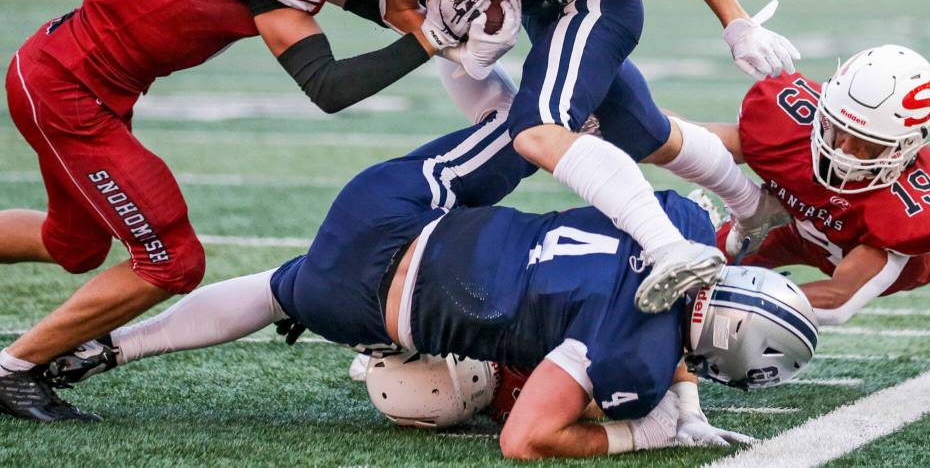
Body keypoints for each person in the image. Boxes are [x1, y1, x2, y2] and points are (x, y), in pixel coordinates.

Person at [0, 0, 495, 422]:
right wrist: (427, 40)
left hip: (63, 72)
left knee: (72, 244)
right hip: (71, 91)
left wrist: (444, 15)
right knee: (173, 261)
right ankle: (13, 369)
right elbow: (328, 86)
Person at [43, 111, 818, 457]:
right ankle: (106, 351)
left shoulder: (679, 223)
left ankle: (468, 42)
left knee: (540, 121)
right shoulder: (634, 365)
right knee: (286, 291)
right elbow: (524, 439)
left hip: (391, 207)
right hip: (358, 304)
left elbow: (667, 304)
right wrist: (636, 431)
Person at [365, 0, 800, 315]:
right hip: (542, 17)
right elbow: (401, 6)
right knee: (647, 137)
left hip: (597, 0)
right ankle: (756, 206)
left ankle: (669, 249)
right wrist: (459, 45)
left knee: (537, 130)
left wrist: (737, 24)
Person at [698, 45, 930, 324]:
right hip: (794, 220)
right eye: (840, 131)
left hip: (860, 245)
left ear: (905, 149)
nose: (844, 152)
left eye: (867, 144)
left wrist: (740, 305)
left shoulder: (903, 210)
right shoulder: (796, 128)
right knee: (697, 267)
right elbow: (689, 138)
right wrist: (649, 129)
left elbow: (839, 299)